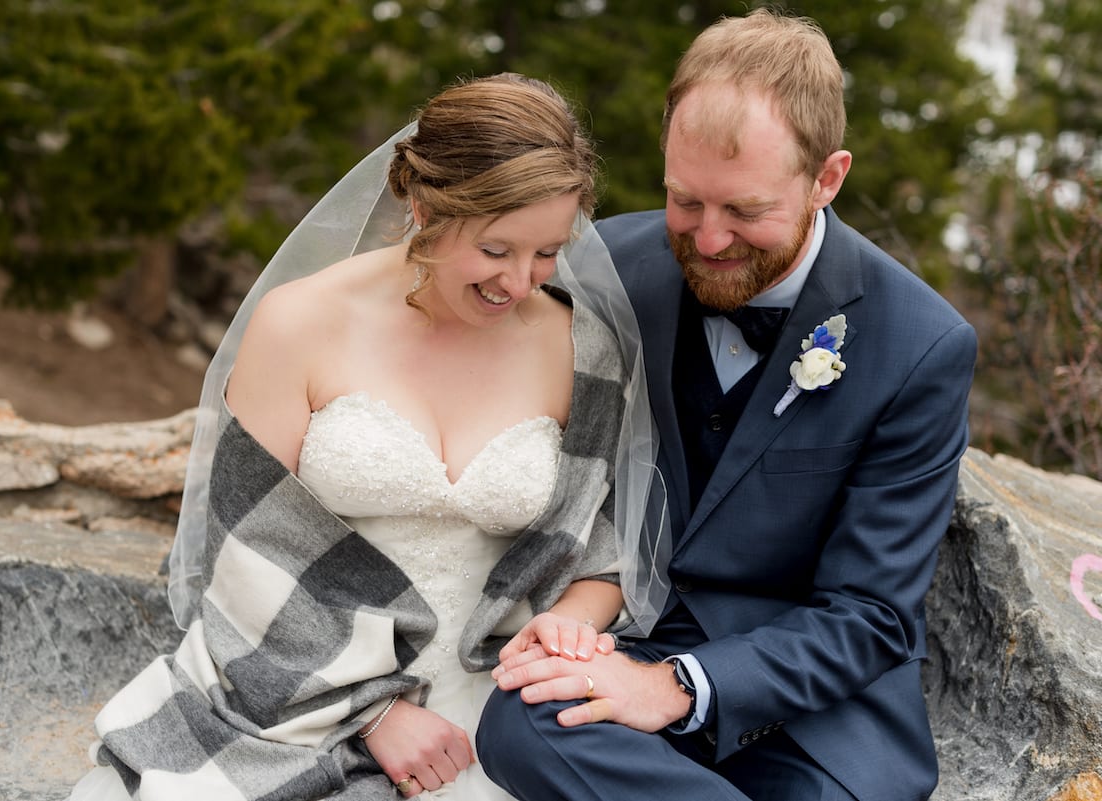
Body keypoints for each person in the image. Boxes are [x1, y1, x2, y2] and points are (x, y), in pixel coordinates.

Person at [65, 74, 667, 801]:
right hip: (296, 681)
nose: (519, 282)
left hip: (499, 694)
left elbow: (602, 545)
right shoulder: (300, 322)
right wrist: (372, 711)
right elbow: (248, 550)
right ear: (424, 207)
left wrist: (568, 623)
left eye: (547, 251)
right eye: (496, 248)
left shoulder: (580, 347)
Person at [477, 10, 978, 801]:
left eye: (744, 211)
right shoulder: (603, 270)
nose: (708, 240)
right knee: (520, 720)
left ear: (827, 178)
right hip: (623, 645)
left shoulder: (921, 343)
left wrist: (677, 685)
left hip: (813, 719)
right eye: (685, 201)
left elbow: (870, 612)